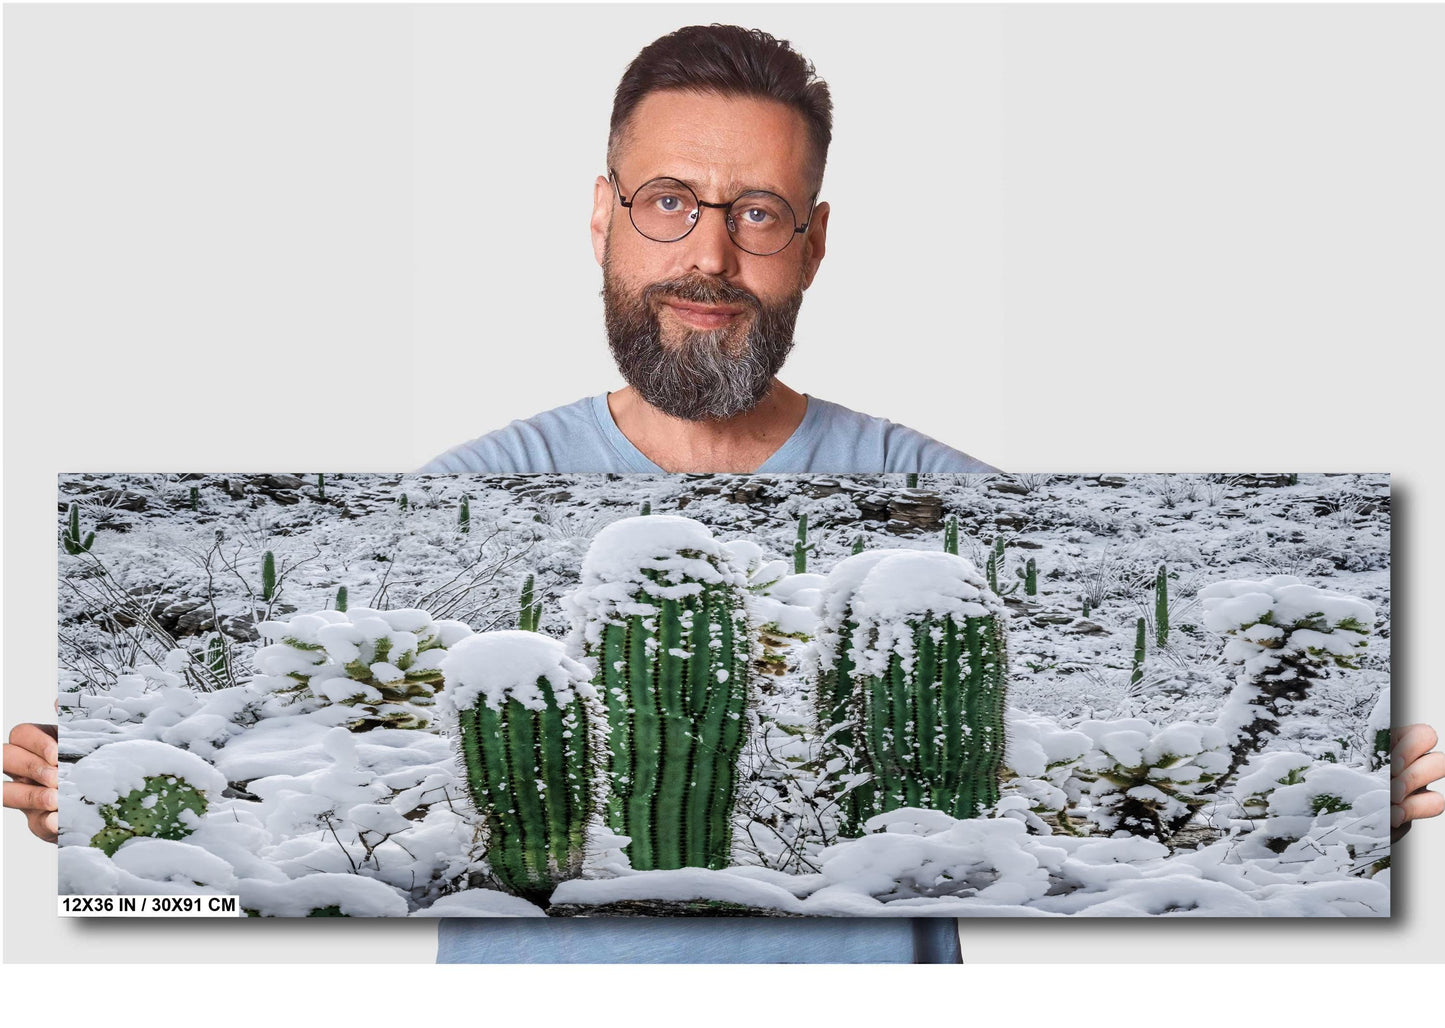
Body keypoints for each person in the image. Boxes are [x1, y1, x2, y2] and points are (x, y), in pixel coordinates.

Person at [9, 23, 1443, 963]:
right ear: (602, 213)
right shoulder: (465, 488)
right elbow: (280, 840)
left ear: (810, 243)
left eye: (756, 212)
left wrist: (1350, 800)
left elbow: (1116, 772)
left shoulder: (950, 508)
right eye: (669, 201)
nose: (710, 253)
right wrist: (110, 825)